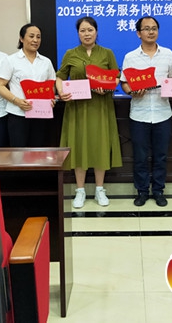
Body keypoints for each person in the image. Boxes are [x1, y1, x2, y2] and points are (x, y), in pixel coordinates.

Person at [56, 16, 122, 209]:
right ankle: (80, 190)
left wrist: (107, 86)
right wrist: (61, 90)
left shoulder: (107, 53)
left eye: (90, 30)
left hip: (100, 106)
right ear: (78, 33)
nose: (87, 34)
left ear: (96, 31)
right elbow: (60, 76)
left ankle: (100, 189)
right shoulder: (70, 53)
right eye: (83, 30)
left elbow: (116, 76)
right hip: (77, 108)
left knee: (100, 145)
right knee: (79, 146)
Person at [121, 16, 172, 207]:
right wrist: (132, 91)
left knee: (161, 156)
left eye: (154, 28)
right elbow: (124, 83)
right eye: (146, 29)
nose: (151, 32)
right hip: (139, 114)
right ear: (139, 33)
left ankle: (159, 190)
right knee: (140, 157)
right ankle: (142, 191)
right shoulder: (130, 57)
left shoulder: (168, 54)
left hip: (163, 113)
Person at [0, 23, 56, 147]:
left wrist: (51, 98)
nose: (35, 40)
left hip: (40, 114)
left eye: (38, 37)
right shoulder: (11, 60)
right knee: (19, 153)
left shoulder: (46, 62)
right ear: (21, 38)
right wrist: (16, 101)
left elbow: (51, 85)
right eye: (31, 36)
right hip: (18, 114)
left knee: (37, 152)